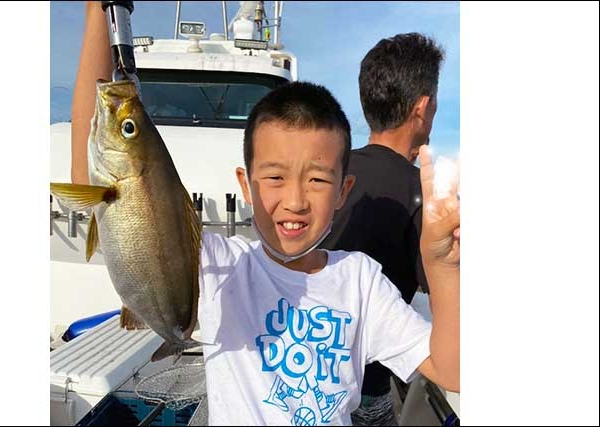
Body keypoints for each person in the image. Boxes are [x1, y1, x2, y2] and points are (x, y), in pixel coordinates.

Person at [70, 5, 459, 425]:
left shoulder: (361, 281)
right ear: (246, 184)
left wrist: (443, 264)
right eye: (274, 177)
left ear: (344, 190)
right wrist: (97, 12)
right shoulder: (220, 266)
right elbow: (94, 136)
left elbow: (452, 370)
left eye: (317, 180)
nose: (294, 200)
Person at [320, 33, 446, 425]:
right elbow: (445, 300)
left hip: (303, 372)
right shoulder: (422, 193)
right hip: (365, 390)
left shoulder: (328, 173)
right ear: (422, 108)